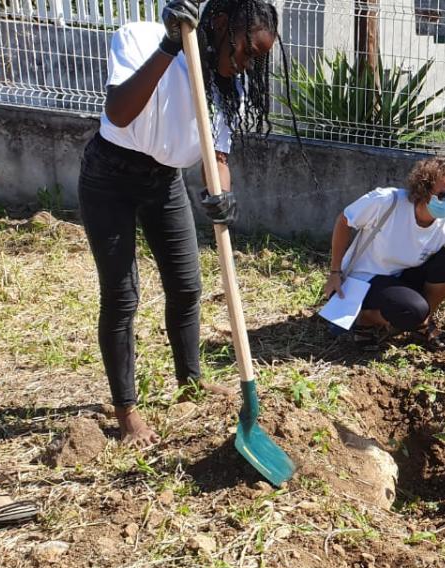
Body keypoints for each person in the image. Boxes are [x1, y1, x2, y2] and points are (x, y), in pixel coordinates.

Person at [78, 0, 288, 447]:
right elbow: (118, 112)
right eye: (248, 52)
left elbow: (218, 156)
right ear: (219, 24)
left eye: (259, 59)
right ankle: (127, 411)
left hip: (164, 180)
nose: (250, 65)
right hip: (110, 174)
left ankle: (189, 381)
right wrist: (169, 47)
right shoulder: (139, 38)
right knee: (121, 294)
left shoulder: (227, 87)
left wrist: (222, 193)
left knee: (188, 285)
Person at [322, 157, 445, 371]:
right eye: (443, 194)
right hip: (363, 280)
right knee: (413, 309)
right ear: (423, 189)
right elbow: (344, 220)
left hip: (399, 278)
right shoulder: (387, 202)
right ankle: (367, 319)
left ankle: (418, 321)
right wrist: (335, 271)